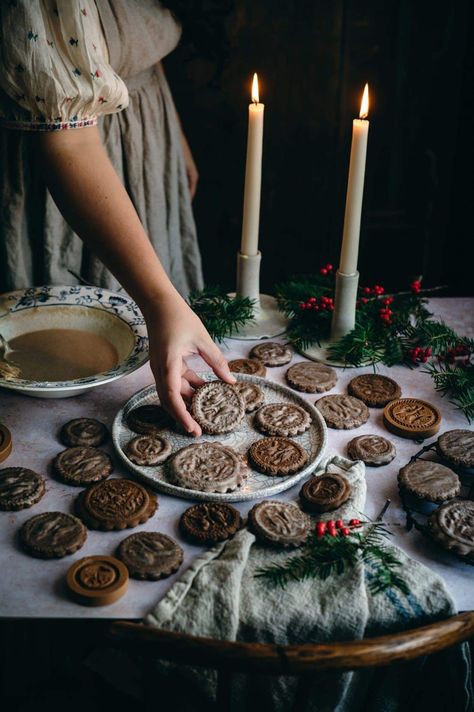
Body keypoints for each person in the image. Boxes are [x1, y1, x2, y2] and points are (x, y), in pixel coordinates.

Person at [0, 0, 235, 435]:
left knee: (160, 344)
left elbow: (125, 42)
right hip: (71, 170)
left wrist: (172, 133)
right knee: (62, 386)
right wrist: (161, 300)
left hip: (144, 140)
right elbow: (68, 143)